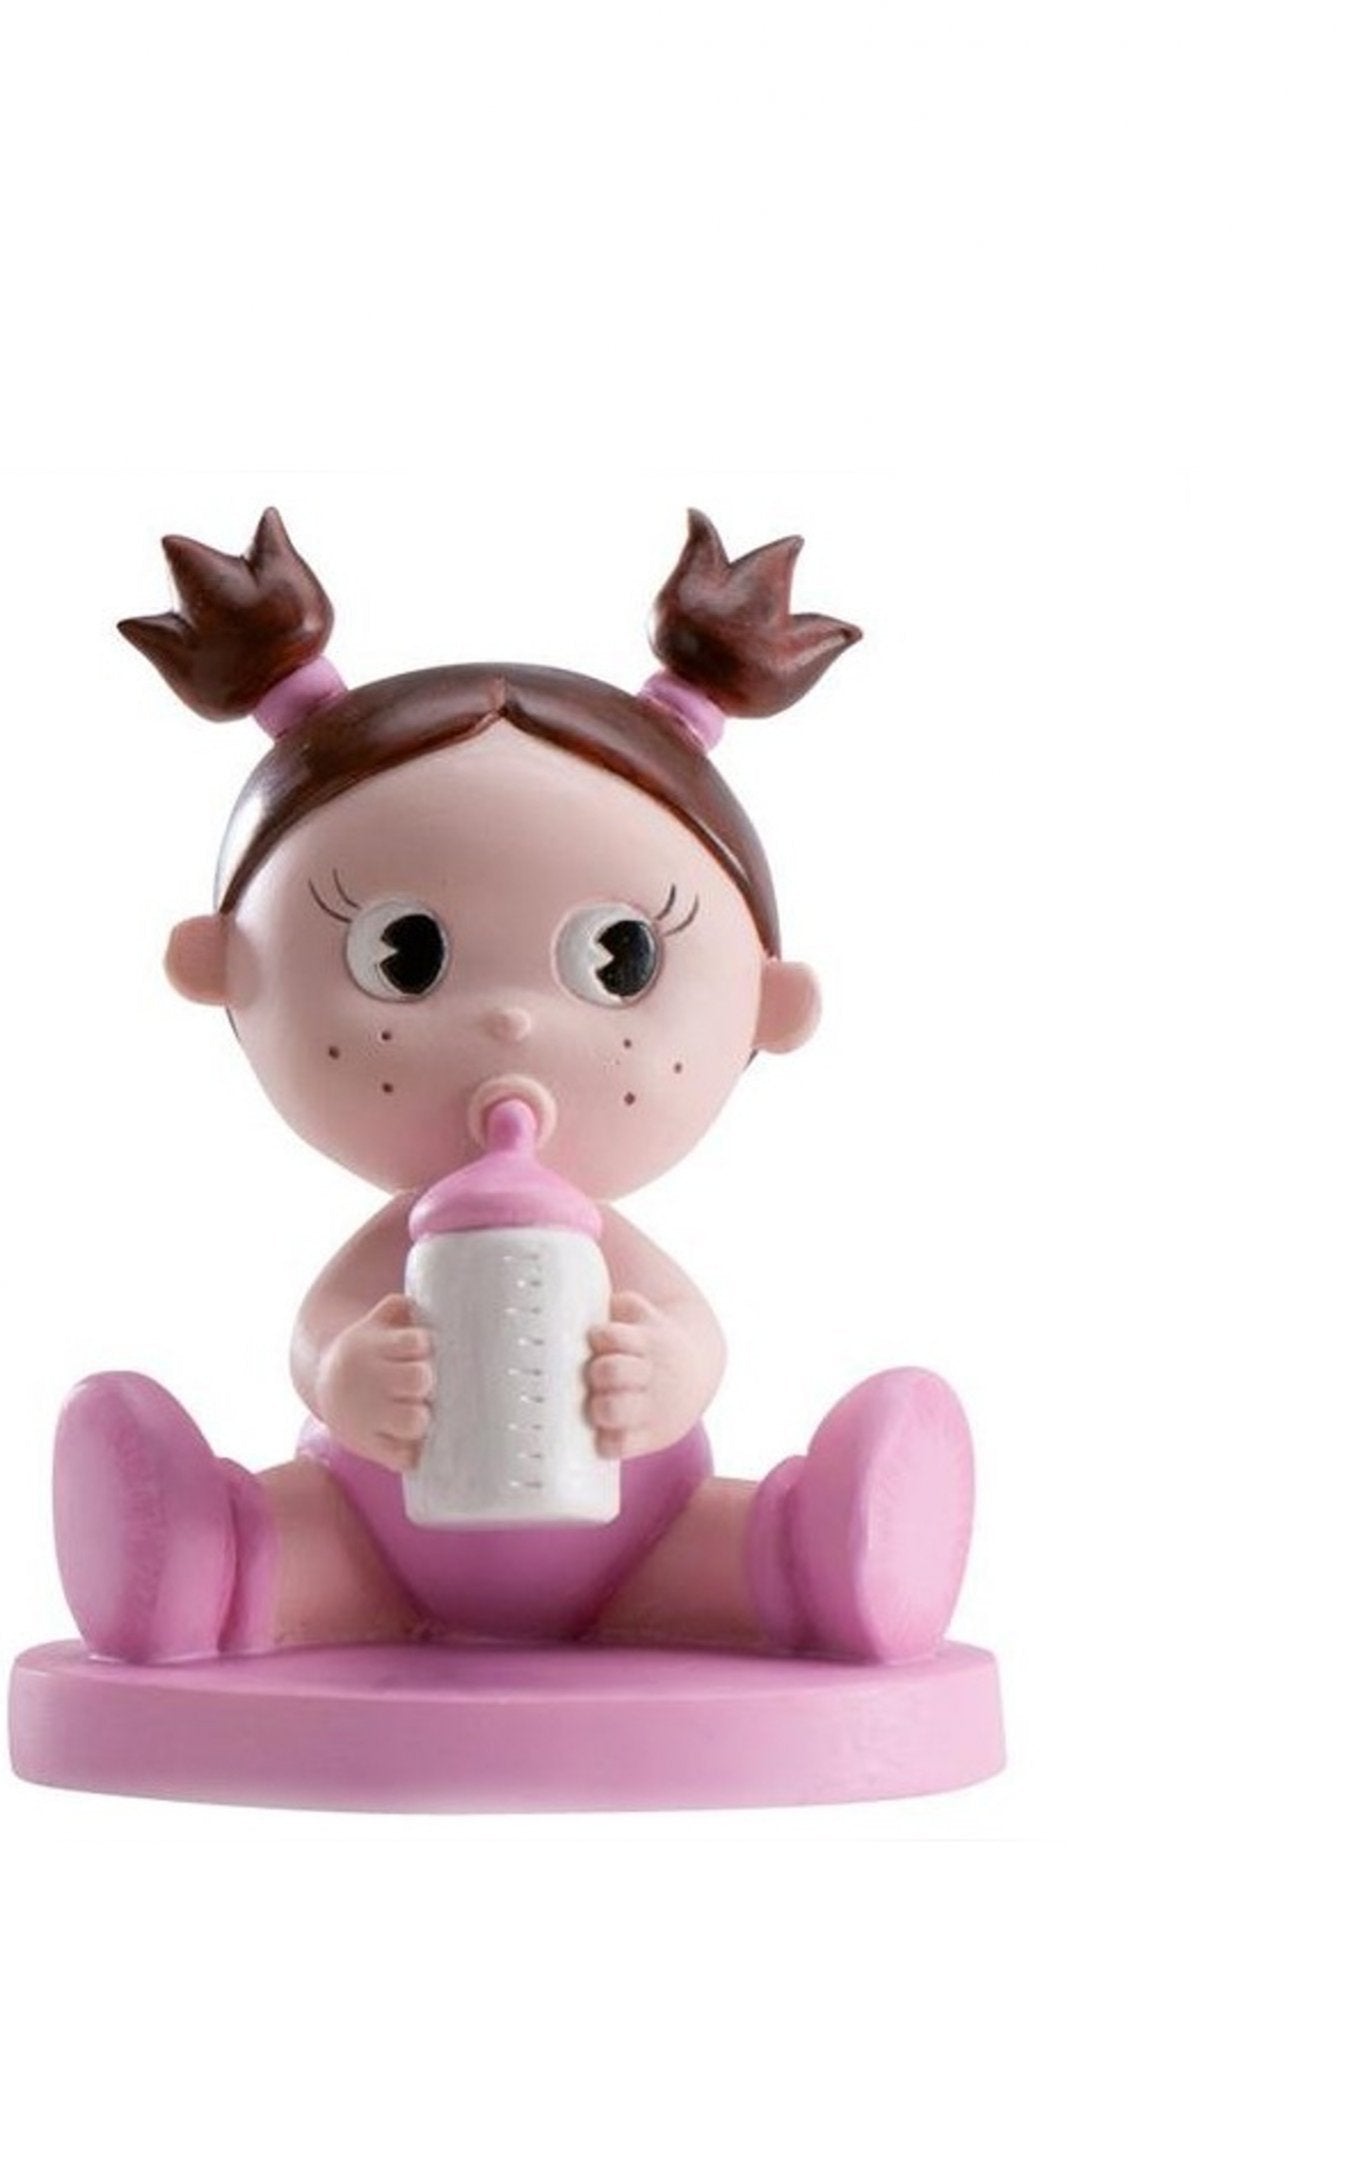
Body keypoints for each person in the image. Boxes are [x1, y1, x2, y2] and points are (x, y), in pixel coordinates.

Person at [52, 509, 973, 1664]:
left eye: (619, 963)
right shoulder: (400, 1249)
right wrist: (347, 1377)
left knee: (725, 1550)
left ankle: (825, 1549)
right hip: (375, 1543)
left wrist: (664, 1374)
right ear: (222, 967)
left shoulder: (602, 1247)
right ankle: (200, 1556)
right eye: (404, 958)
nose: (511, 1020)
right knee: (291, 1541)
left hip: (643, 1542)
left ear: (766, 1005)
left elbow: (691, 1335)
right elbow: (321, 1335)